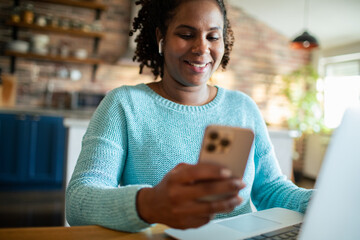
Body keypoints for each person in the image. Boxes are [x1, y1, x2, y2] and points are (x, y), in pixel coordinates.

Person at [66, 0, 313, 233]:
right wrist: (149, 204)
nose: (201, 48)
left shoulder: (243, 107)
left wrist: (320, 200)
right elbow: (79, 201)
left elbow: (270, 189)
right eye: (186, 35)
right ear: (161, 38)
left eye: (213, 37)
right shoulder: (124, 105)